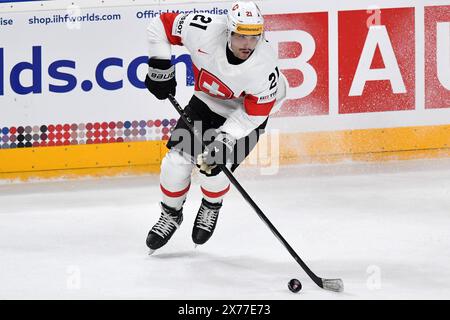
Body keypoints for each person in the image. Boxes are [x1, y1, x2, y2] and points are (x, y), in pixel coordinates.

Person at [144, 1, 287, 254]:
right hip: (207, 101)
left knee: (215, 170)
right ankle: (171, 214)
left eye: (253, 37)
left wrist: (225, 139)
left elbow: (253, 116)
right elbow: (161, 25)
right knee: (175, 163)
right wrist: (159, 66)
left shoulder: (264, 66)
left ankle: (211, 205)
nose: (247, 44)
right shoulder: (203, 29)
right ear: (228, 31)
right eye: (241, 36)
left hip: (245, 114)